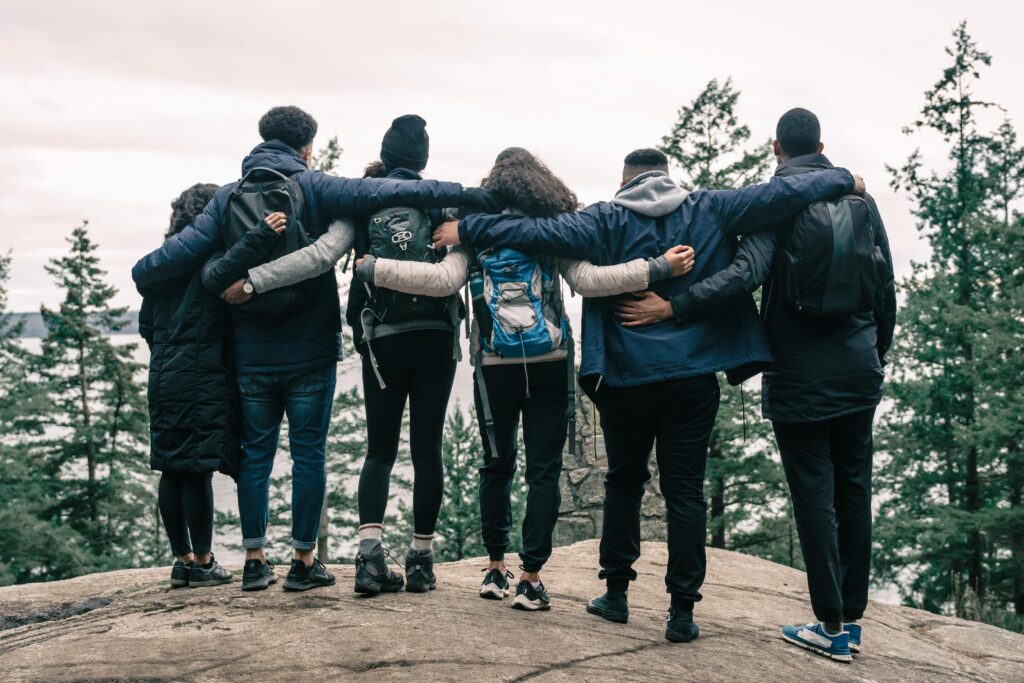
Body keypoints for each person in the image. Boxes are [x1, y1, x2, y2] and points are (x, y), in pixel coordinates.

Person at [434, 148, 864, 643]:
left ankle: (616, 596)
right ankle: (681, 612)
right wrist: (840, 178)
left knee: (623, 483)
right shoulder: (711, 208)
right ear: (667, 176)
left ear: (626, 180)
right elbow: (783, 192)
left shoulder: (605, 218)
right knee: (686, 493)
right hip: (693, 378)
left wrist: (470, 231)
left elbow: (538, 233)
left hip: (627, 378)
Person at [132, 107, 502, 594]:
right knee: (311, 455)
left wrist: (228, 280)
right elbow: (386, 195)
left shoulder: (226, 198)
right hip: (314, 350)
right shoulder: (317, 186)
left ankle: (254, 559)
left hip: (252, 353)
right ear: (307, 147)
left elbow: (151, 269)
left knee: (257, 456)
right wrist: (465, 194)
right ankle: (306, 560)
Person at [355, 147, 694, 610]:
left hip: (493, 364)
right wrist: (657, 269)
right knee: (543, 471)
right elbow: (592, 281)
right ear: (542, 183)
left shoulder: (474, 227)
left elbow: (443, 282)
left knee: (496, 466)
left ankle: (495, 569)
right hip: (550, 360)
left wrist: (376, 268)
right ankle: (531, 577)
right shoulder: (554, 226)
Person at [762, 109, 894, 662]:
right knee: (854, 489)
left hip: (797, 374)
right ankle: (852, 621)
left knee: (814, 495)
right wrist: (874, 354)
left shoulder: (776, 204)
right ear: (822, 145)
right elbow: (884, 286)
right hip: (856, 368)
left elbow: (751, 274)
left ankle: (830, 623)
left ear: (777, 149)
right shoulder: (860, 200)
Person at [138, 183, 286, 588]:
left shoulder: (161, 264)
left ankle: (182, 559)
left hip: (164, 373)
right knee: (198, 468)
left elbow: (146, 326)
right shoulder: (211, 258)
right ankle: (203, 562)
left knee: (171, 466)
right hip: (203, 375)